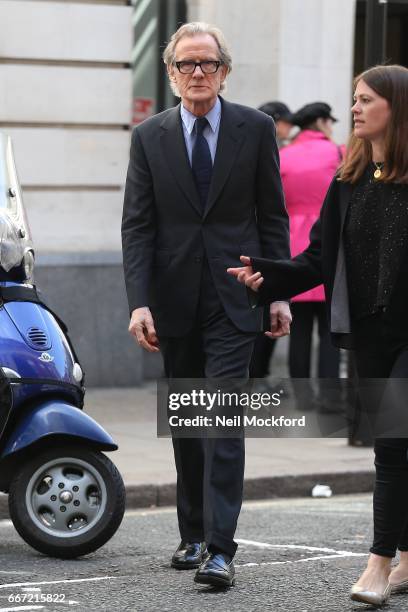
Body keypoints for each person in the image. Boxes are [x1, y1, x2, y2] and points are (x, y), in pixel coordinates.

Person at [228, 64, 408, 605]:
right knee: (395, 447)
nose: (353, 108)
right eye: (353, 98)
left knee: (396, 442)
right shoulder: (349, 182)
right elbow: (317, 259)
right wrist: (267, 276)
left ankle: (378, 562)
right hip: (372, 334)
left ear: (395, 109)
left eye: (365, 100)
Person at [121, 21, 291, 588]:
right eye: (186, 65)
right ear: (170, 74)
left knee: (221, 417)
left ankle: (221, 548)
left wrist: (277, 292)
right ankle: (192, 534)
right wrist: (140, 303)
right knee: (189, 423)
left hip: (234, 298)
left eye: (208, 64)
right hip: (172, 303)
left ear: (225, 71)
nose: (198, 73)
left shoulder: (256, 128)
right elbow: (138, 227)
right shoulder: (149, 137)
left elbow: (273, 216)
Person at [281, 103, 341, 402]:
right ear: (320, 121)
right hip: (328, 244)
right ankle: (330, 399)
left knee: (299, 328)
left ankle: (302, 396)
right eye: (330, 121)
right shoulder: (336, 153)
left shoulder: (283, 155)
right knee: (331, 330)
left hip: (292, 247)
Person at [249, 101, 293, 381]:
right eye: (287, 122)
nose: (291, 128)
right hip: (264, 251)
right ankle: (258, 374)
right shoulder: (271, 150)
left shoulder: (286, 154)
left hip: (275, 249)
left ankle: (257, 375)